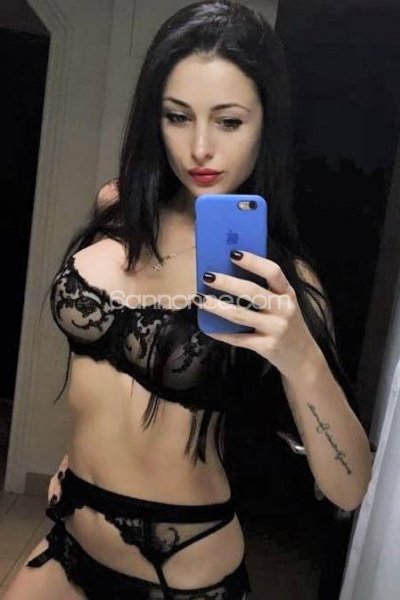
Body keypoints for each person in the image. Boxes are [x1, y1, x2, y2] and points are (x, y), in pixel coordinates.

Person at [4, 1, 372, 598]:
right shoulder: (117, 208)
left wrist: (301, 356)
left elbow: (349, 488)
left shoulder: (280, 277)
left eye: (228, 122)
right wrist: (78, 461)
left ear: (266, 125)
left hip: (181, 569)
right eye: (178, 116)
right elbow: (99, 387)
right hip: (73, 530)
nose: (199, 147)